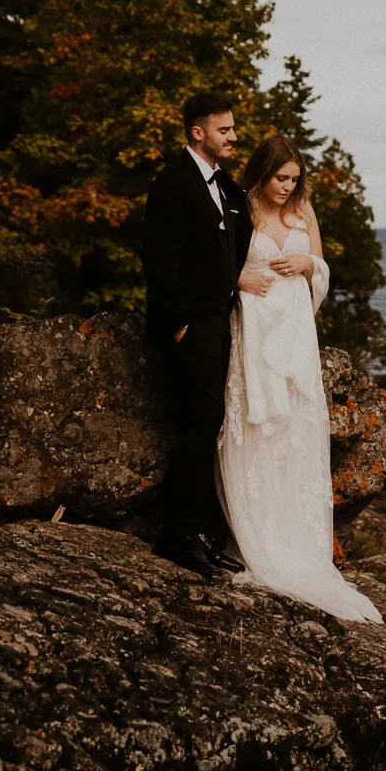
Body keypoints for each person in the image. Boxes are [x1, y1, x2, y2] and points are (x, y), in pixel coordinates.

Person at [217, 133, 381, 622]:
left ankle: (298, 544)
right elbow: (219, 265)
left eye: (293, 179)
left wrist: (307, 262)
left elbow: (322, 270)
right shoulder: (238, 208)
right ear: (262, 174)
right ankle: (255, 538)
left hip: (295, 332)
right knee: (255, 428)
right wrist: (241, 280)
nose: (287, 187)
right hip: (254, 326)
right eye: (279, 178)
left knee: (295, 432)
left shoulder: (304, 212)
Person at [142, 89, 254, 578]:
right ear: (198, 132)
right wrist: (181, 323)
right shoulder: (173, 182)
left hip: (220, 318)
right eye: (224, 129)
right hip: (192, 324)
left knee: (212, 422)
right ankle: (178, 535)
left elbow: (236, 241)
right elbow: (158, 259)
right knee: (199, 421)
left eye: (231, 129)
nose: (233, 136)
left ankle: (204, 533)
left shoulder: (225, 185)